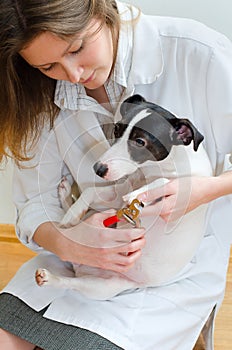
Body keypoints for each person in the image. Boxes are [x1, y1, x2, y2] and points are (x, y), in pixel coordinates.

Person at [0, 0, 232, 349]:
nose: (74, 75)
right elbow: (35, 203)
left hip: (167, 278)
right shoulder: (36, 91)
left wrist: (206, 189)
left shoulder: (198, 53)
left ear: (99, 9)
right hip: (70, 266)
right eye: (49, 66)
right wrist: (71, 242)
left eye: (77, 48)